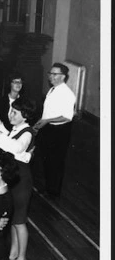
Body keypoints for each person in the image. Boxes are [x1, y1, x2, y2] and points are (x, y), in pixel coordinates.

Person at [0, 98, 37, 260]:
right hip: (14, 177)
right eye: (10, 111)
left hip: (22, 180)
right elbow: (9, 137)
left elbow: (16, 147)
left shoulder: (27, 132)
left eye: (14, 112)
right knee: (14, 217)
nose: (10, 114)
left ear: (25, 115)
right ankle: (13, 252)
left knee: (19, 221)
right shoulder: (17, 128)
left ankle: (22, 258)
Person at [33, 63, 76, 198]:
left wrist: (46, 121)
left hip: (59, 131)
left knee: (55, 160)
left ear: (63, 76)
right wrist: (42, 120)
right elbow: (49, 111)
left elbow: (67, 117)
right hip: (48, 127)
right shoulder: (53, 90)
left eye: (54, 74)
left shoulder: (67, 94)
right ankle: (43, 186)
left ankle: (53, 191)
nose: (51, 76)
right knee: (43, 157)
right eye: (50, 73)